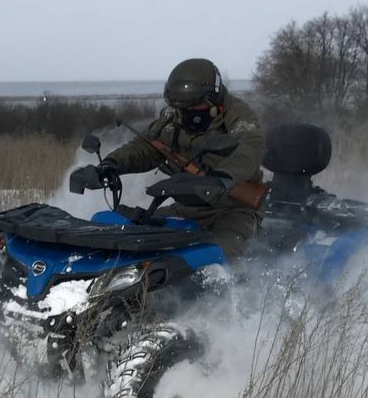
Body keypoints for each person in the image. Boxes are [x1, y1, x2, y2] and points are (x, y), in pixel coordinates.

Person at [91, 58, 266, 259]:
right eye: (181, 108)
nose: (185, 114)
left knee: (215, 259)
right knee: (136, 242)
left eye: (192, 107)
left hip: (233, 210)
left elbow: (250, 146)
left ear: (211, 99)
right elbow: (147, 146)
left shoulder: (237, 115)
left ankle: (241, 290)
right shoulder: (175, 117)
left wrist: (222, 177)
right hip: (186, 210)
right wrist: (110, 165)